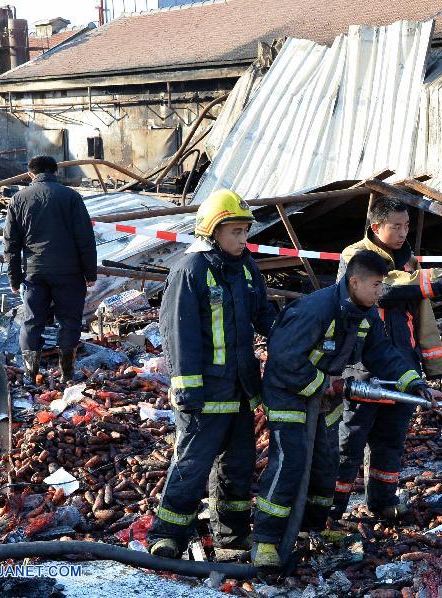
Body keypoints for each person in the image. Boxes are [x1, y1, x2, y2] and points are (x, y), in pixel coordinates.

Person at [251, 250, 442, 567]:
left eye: (383, 284)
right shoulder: (316, 309)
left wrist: (415, 383)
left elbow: (382, 353)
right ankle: (267, 541)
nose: (381, 292)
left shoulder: (366, 312)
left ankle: (311, 529)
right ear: (354, 281)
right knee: (290, 463)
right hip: (289, 395)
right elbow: (283, 357)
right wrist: (322, 382)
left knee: (327, 464)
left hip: (323, 401)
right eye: (376, 285)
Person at [148, 189, 277, 560]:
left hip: (239, 390)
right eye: (234, 232)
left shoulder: (246, 269)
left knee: (237, 466)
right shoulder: (191, 270)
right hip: (203, 393)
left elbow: (263, 316)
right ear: (212, 231)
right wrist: (186, 388)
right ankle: (167, 534)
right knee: (192, 464)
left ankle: (230, 539)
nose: (242, 239)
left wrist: (298, 333)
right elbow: (178, 332)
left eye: (244, 231)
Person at [331, 197, 442, 521]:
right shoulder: (354, 256)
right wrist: (430, 280)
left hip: (403, 362)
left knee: (391, 439)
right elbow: (387, 288)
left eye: (407, 226)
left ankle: (383, 503)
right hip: (363, 366)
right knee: (350, 440)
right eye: (395, 226)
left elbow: (422, 314)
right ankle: (332, 509)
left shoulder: (409, 262)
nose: (402, 233)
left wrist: (433, 366)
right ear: (376, 227)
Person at [3, 155, 96, 385]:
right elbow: (85, 238)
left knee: (32, 321)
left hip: (35, 273)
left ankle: (29, 374)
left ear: (30, 174)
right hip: (70, 272)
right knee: (69, 321)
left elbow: (10, 244)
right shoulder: (71, 197)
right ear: (55, 172)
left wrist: (14, 278)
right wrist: (90, 273)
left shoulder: (18, 199)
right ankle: (66, 375)